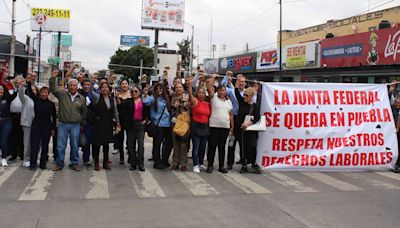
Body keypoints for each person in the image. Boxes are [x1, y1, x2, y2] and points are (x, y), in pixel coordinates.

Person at [50, 69, 87, 171]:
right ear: (67, 86)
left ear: (77, 86)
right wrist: (53, 78)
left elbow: (84, 112)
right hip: (63, 124)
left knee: (74, 145)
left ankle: (74, 163)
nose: (72, 87)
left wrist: (82, 125)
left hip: (76, 125)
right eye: (71, 85)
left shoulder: (81, 98)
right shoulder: (62, 94)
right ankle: (59, 163)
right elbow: (52, 89)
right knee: (60, 145)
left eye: (74, 85)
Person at [142, 83, 173, 169]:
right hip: (158, 124)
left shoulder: (166, 98)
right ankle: (157, 162)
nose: (159, 90)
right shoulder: (152, 98)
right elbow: (145, 102)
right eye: (157, 89)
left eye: (161, 88)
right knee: (157, 144)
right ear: (154, 90)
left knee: (169, 143)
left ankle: (164, 160)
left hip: (168, 124)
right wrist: (145, 94)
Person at [90, 82, 120, 171]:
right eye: (102, 87)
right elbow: (91, 90)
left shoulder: (112, 99)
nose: (104, 89)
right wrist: (92, 80)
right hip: (98, 124)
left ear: (109, 89)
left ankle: (105, 162)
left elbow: (115, 111)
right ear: (100, 89)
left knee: (106, 144)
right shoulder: (97, 97)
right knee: (97, 144)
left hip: (108, 124)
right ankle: (96, 162)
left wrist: (118, 122)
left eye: (106, 87)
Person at [207, 77, 234, 173]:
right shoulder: (213, 97)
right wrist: (213, 77)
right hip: (214, 126)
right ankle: (210, 165)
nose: (222, 92)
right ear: (217, 91)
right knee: (212, 146)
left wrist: (232, 127)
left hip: (225, 127)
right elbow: (209, 85)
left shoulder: (228, 101)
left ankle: (221, 166)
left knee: (222, 147)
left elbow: (231, 115)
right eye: (220, 90)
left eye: (224, 90)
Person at [119, 86, 149, 171]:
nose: (134, 93)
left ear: (139, 92)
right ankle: (133, 163)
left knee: (140, 145)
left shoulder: (143, 101)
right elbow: (121, 108)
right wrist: (118, 97)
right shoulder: (128, 101)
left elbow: (147, 112)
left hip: (140, 124)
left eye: (136, 91)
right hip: (130, 125)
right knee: (130, 145)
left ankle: (140, 163)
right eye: (132, 92)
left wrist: (145, 120)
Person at [28, 83, 57, 170]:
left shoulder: (51, 104)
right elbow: (30, 91)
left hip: (47, 126)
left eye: (45, 92)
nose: (44, 94)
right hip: (36, 125)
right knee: (35, 145)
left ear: (48, 93)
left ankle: (42, 163)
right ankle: (32, 163)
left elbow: (54, 117)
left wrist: (53, 129)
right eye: (42, 92)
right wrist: (30, 82)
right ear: (39, 93)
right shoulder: (36, 101)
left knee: (45, 145)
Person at [186, 79, 210, 173]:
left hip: (205, 127)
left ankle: (200, 163)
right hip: (196, 126)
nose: (201, 94)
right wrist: (190, 85)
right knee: (196, 146)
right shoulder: (195, 101)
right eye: (200, 92)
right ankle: (195, 164)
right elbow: (190, 94)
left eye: (203, 92)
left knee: (202, 147)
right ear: (197, 93)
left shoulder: (207, 103)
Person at [236, 87, 261, 174]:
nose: (244, 97)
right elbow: (236, 92)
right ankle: (244, 165)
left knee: (253, 146)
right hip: (242, 129)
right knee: (243, 147)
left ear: (251, 96)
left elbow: (257, 117)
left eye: (246, 95)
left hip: (251, 129)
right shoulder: (242, 104)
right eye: (244, 95)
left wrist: (248, 123)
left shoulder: (255, 106)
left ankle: (253, 163)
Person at [170, 83, 190, 171]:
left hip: (184, 123)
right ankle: (175, 162)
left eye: (180, 87)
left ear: (183, 88)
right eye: (177, 87)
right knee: (175, 144)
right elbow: (172, 107)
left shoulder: (187, 97)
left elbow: (186, 107)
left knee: (183, 144)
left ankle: (183, 163)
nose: (178, 89)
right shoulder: (173, 97)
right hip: (174, 122)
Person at [18, 79, 36, 169]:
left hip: (37, 124)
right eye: (31, 90)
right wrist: (21, 86)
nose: (33, 91)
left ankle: (34, 157)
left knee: (36, 142)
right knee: (27, 142)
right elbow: (20, 94)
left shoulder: (38, 99)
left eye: (34, 90)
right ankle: (26, 159)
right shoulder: (25, 98)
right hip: (27, 123)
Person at [79, 79, 96, 167]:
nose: (86, 86)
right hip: (79, 122)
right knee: (80, 142)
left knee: (88, 142)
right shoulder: (78, 95)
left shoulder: (93, 96)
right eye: (84, 84)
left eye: (88, 84)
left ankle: (87, 159)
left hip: (90, 122)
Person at [115, 79, 131, 164]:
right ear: (120, 85)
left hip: (129, 120)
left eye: (126, 83)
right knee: (120, 139)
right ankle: (121, 157)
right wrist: (117, 97)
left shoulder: (132, 94)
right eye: (122, 83)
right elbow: (117, 107)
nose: (124, 85)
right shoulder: (117, 95)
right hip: (120, 120)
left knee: (130, 139)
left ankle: (130, 155)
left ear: (128, 85)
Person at [0, 83, 16, 167]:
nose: (1, 90)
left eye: (2, 89)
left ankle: (3, 158)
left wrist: (14, 86)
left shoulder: (7, 99)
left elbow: (14, 94)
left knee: (4, 140)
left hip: (6, 122)